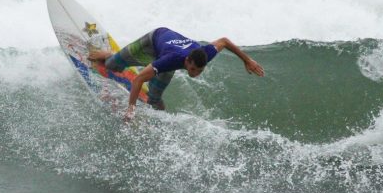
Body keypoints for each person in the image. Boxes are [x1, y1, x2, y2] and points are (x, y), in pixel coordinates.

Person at [89, 27, 264, 120]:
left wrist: (247, 60)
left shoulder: (206, 54)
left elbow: (224, 41)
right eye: (193, 69)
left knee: (154, 100)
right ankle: (110, 54)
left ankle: (160, 119)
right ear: (187, 61)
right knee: (112, 65)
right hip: (154, 38)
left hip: (166, 53)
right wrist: (131, 109)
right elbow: (138, 80)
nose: (195, 74)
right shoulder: (171, 60)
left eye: (200, 71)